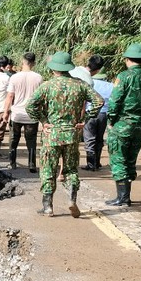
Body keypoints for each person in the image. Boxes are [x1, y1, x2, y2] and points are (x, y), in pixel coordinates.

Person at [25, 51, 103, 217]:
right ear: (69, 68)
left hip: (51, 134)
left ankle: (47, 206)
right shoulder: (80, 84)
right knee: (70, 169)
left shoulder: (47, 86)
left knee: (48, 169)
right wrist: (86, 118)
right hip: (72, 134)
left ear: (53, 69)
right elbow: (99, 101)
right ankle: (72, 199)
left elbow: (30, 106)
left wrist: (43, 120)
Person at [106, 42, 141, 207]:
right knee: (130, 160)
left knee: (118, 159)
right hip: (139, 125)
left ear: (127, 59)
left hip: (122, 124)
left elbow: (115, 101)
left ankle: (122, 197)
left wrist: (111, 121)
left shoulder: (123, 77)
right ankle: (125, 196)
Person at [3, 52, 43, 171]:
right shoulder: (38, 77)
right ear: (34, 63)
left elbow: (10, 96)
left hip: (17, 114)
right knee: (31, 140)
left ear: (22, 62)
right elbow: (41, 97)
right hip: (32, 115)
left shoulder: (15, 77)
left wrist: (6, 112)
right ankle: (32, 164)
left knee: (14, 138)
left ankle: (12, 162)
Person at [79, 55, 114, 171]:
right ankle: (97, 162)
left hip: (90, 113)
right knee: (99, 138)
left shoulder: (87, 82)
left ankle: (91, 164)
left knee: (89, 138)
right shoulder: (111, 86)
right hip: (103, 115)